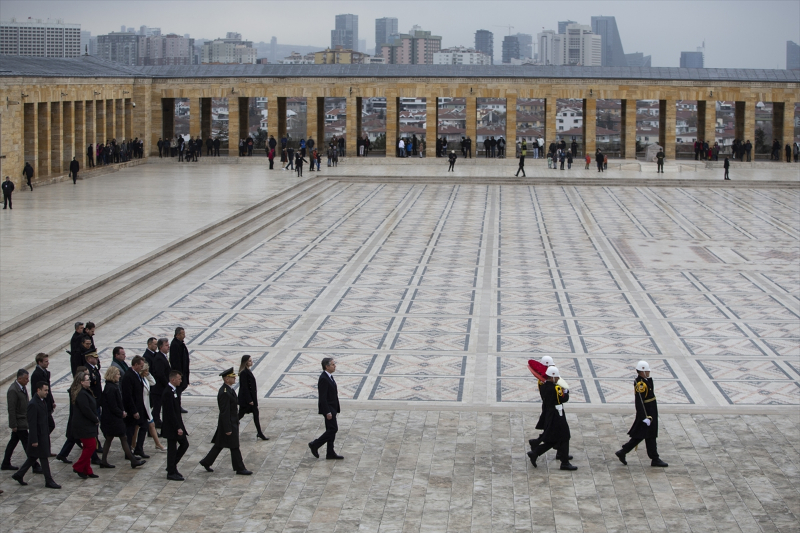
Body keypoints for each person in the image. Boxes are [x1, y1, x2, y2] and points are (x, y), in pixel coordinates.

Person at [199, 368, 252, 475]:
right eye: (232, 377)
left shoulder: (229, 389)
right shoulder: (224, 392)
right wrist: (228, 428)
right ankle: (239, 468)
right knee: (234, 446)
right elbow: (224, 412)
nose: (234, 378)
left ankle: (206, 461)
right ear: (226, 379)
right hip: (228, 424)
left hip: (231, 422)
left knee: (219, 444)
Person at [615, 361, 668, 468]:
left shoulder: (644, 381)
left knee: (644, 435)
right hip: (647, 413)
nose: (649, 372)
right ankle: (654, 458)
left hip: (650, 411)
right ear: (643, 371)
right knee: (647, 435)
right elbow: (639, 402)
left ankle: (623, 451)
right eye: (647, 370)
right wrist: (645, 417)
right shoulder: (641, 384)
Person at [10, 381, 60, 489]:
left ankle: (19, 475)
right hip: (38, 437)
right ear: (38, 390)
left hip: (43, 435)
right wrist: (34, 440)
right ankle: (49, 480)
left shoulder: (42, 401)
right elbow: (32, 424)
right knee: (43, 458)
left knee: (32, 458)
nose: (47, 392)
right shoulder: (33, 404)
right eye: (45, 390)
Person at [526, 366, 577, 470]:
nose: (558, 379)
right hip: (557, 415)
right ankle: (564, 462)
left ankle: (537, 453)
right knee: (565, 436)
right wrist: (566, 392)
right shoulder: (555, 388)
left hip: (550, 414)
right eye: (557, 377)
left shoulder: (544, 386)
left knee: (555, 439)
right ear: (552, 377)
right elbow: (563, 399)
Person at [100, 367, 145, 469]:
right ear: (112, 375)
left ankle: (103, 461)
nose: (119, 376)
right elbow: (113, 405)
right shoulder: (111, 388)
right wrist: (122, 413)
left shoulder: (110, 386)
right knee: (123, 438)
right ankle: (132, 460)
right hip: (113, 419)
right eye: (117, 374)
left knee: (109, 439)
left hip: (111, 419)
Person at [3, 369, 39, 472]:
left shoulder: (22, 387)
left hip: (23, 419)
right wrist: (13, 424)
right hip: (19, 422)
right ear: (19, 379)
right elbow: (11, 409)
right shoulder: (13, 390)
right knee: (27, 443)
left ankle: (5, 462)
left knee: (13, 442)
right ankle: (35, 465)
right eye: (26, 378)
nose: (28, 380)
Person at [308, 357, 343, 460]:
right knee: (333, 429)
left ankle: (330, 452)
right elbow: (322, 397)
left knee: (330, 429)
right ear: (327, 366)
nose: (334, 366)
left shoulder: (329, 377)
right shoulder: (323, 378)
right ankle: (315, 444)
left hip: (333, 407)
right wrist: (327, 411)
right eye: (332, 364)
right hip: (329, 409)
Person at [70, 371, 100, 479]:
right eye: (87, 380)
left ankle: (87, 470)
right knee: (91, 446)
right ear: (82, 382)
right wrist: (95, 418)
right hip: (83, 425)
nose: (90, 381)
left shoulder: (86, 391)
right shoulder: (81, 394)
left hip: (87, 425)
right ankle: (78, 466)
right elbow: (86, 410)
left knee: (88, 447)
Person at [162, 370, 189, 481]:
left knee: (184, 444)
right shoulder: (168, 392)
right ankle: (171, 471)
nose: (180, 381)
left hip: (177, 424)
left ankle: (171, 467)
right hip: (171, 427)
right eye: (179, 379)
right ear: (173, 380)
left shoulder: (174, 390)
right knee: (172, 449)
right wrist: (177, 427)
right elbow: (170, 412)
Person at [122, 355, 150, 459]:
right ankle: (128, 452)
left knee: (144, 426)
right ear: (136, 364)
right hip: (132, 409)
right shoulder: (128, 376)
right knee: (130, 431)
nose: (142, 368)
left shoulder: (137, 374)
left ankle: (139, 448)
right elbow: (128, 396)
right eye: (141, 365)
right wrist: (134, 411)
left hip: (140, 407)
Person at [237, 355, 268, 441]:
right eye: (250, 361)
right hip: (247, 400)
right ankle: (228, 427)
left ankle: (260, 433)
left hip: (251, 398)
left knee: (255, 415)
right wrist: (249, 400)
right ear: (246, 362)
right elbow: (244, 387)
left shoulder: (247, 371)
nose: (251, 362)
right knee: (240, 415)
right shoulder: (244, 372)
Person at [138, 363, 166, 452]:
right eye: (146, 371)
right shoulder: (138, 380)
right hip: (141, 407)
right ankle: (133, 445)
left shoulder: (145, 379)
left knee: (152, 425)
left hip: (147, 406)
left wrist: (149, 375)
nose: (147, 372)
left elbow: (153, 382)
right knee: (137, 428)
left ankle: (158, 444)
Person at [31, 353, 55, 433]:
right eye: (45, 361)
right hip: (42, 404)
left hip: (47, 403)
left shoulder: (46, 373)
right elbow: (35, 391)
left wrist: (52, 401)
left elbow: (49, 390)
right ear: (39, 362)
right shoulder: (36, 375)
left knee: (49, 425)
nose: (48, 363)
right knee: (50, 425)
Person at [150, 338, 171, 428]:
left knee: (158, 407)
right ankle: (155, 423)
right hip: (158, 388)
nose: (168, 347)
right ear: (161, 347)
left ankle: (157, 421)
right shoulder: (159, 358)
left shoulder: (163, 356)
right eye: (166, 345)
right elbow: (160, 374)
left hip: (161, 388)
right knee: (157, 407)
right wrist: (167, 385)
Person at [169, 328, 190, 413]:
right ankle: (177, 405)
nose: (184, 335)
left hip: (183, 371)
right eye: (182, 334)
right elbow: (175, 361)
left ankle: (177, 405)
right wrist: (179, 374)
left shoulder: (181, 343)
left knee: (182, 386)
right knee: (178, 389)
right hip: (179, 372)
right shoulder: (175, 345)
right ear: (177, 335)